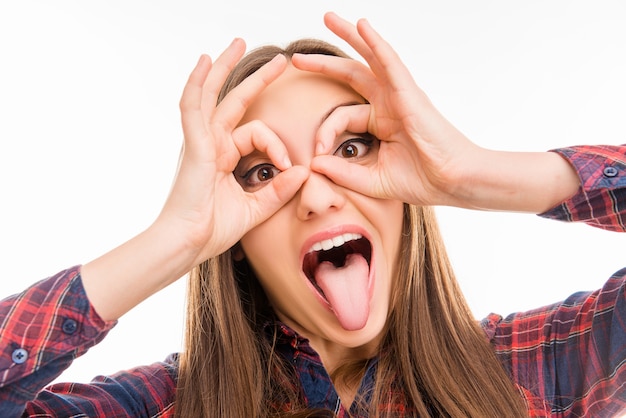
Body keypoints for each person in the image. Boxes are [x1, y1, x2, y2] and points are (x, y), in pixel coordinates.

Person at [1, 11, 625, 417]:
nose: (319, 196)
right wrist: (173, 240)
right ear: (236, 238)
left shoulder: (533, 370)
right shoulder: (164, 406)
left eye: (351, 149)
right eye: (263, 173)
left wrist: (476, 175)